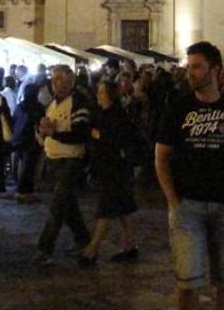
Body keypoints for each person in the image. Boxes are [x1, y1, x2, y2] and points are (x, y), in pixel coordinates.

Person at [156, 42, 224, 310]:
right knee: (187, 282)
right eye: (189, 67)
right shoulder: (177, 106)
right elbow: (161, 157)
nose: (191, 72)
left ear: (216, 70)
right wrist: (173, 201)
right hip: (188, 206)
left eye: (197, 67)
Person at [79, 80, 139, 265]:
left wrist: (99, 135)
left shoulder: (116, 115)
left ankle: (92, 249)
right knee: (122, 208)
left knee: (106, 208)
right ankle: (130, 245)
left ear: (109, 95)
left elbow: (117, 139)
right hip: (109, 167)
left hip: (115, 168)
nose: (98, 95)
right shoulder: (103, 113)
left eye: (101, 92)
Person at [36, 64, 91, 264]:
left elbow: (80, 134)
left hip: (70, 160)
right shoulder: (52, 104)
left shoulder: (78, 102)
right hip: (53, 159)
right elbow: (46, 128)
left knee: (57, 205)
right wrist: (42, 130)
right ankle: (83, 238)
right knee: (67, 204)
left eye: (58, 78)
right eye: (53, 78)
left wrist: (54, 133)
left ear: (70, 81)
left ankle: (45, 248)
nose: (54, 83)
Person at [12, 72, 46, 201]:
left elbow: (14, 120)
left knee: (24, 165)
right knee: (29, 166)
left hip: (18, 139)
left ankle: (27, 190)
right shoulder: (37, 107)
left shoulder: (20, 106)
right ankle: (23, 191)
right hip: (31, 140)